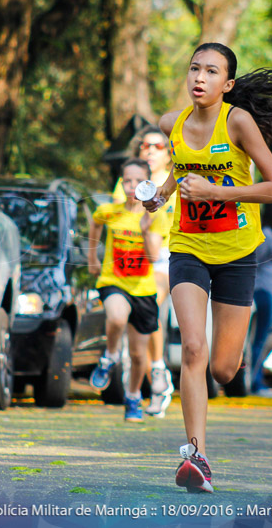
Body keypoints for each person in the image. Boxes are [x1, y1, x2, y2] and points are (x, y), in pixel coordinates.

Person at [143, 42, 272, 493]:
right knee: (192, 348)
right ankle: (197, 457)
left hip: (237, 252)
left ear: (227, 85)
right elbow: (180, 173)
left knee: (224, 368)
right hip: (187, 246)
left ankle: (234, 357)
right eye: (194, 68)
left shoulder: (238, 122)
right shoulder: (173, 124)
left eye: (211, 71)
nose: (199, 77)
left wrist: (218, 194)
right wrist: (160, 195)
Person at [87, 158, 170, 422]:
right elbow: (96, 223)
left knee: (137, 355)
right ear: (121, 184)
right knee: (116, 316)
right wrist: (92, 258)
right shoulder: (109, 210)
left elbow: (154, 256)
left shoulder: (155, 218)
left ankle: (133, 397)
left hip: (143, 289)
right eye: (127, 181)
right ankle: (109, 356)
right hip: (115, 281)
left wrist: (145, 231)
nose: (132, 185)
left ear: (149, 184)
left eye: (138, 181)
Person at [112, 129, 179, 417]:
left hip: (166, 255)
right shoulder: (128, 182)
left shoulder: (177, 179)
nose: (150, 149)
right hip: (131, 258)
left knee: (151, 297)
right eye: (144, 144)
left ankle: (158, 369)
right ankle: (148, 379)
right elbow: (117, 215)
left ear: (168, 152)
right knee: (135, 321)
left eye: (157, 145)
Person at [250, 204, 272, 396]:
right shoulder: (266, 236)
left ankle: (257, 380)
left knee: (264, 338)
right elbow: (254, 261)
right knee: (260, 339)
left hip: (270, 292)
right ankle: (256, 383)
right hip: (263, 291)